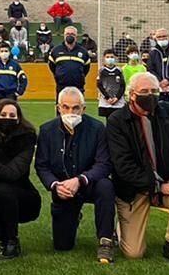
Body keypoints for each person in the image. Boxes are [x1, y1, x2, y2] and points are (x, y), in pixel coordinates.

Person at [105, 73, 169, 264]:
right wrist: (159, 187)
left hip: (167, 178)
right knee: (134, 253)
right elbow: (123, 167)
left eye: (154, 91)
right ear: (132, 95)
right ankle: (121, 228)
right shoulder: (117, 121)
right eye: (144, 91)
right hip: (134, 190)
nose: (150, 95)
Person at [35, 88, 115, 262]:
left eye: (76, 108)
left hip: (89, 184)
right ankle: (73, 216)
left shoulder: (97, 128)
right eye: (66, 107)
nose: (71, 112)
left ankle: (105, 241)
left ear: (83, 109)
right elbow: (41, 166)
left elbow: (104, 164)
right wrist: (55, 185)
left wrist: (80, 180)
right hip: (63, 190)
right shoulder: (47, 131)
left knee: (106, 186)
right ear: (58, 108)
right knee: (62, 245)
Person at [0, 98, 41, 259]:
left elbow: (11, 174)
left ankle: (11, 240)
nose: (7, 118)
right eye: (3, 114)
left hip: (23, 197)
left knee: (4, 188)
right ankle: (0, 230)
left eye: (12, 115)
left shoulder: (27, 137)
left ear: (19, 118)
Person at [47, 26, 91, 94]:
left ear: (76, 36)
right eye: (67, 34)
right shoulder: (56, 50)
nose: (70, 36)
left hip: (78, 86)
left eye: (72, 34)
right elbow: (52, 66)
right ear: (64, 35)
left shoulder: (83, 51)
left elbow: (86, 68)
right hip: (61, 86)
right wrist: (59, 75)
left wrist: (79, 76)